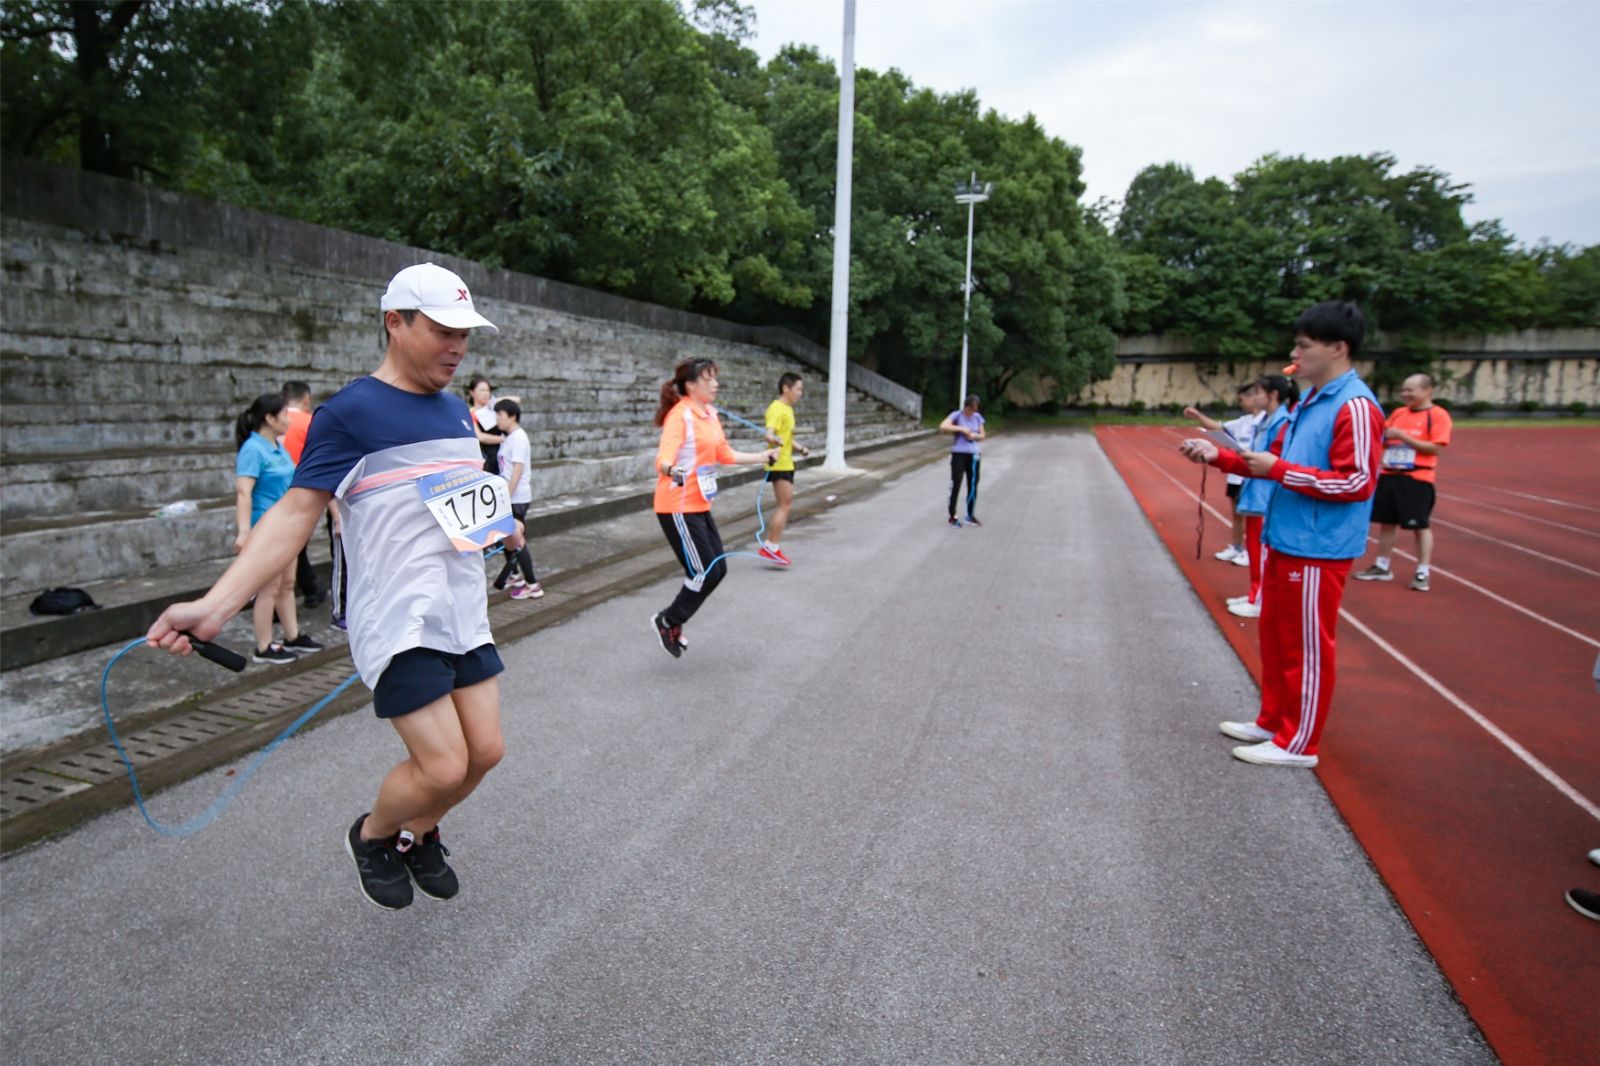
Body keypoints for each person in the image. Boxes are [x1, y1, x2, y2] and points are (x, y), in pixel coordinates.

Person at [150, 262, 518, 911]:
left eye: (464, 332)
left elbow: (461, 504)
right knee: (442, 766)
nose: (457, 346)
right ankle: (374, 835)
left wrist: (502, 527)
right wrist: (215, 606)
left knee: (484, 753)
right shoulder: (349, 413)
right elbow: (293, 514)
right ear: (394, 323)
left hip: (461, 608)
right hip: (397, 619)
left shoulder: (459, 413)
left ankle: (419, 834)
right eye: (441, 330)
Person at [1178, 300, 1384, 768]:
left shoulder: (1354, 407)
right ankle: (1274, 719)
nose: (1295, 352)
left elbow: (1357, 482)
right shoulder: (1310, 401)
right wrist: (1216, 456)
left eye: (1304, 345)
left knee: (1307, 646)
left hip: (1318, 547)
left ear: (1338, 348)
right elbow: (1265, 462)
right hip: (1285, 538)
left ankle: (1300, 742)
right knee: (1276, 637)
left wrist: (1283, 470)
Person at [648, 357, 777, 658]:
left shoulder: (709, 415)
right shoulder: (680, 416)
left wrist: (762, 456)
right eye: (709, 378)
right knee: (703, 571)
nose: (715, 384)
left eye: (715, 378)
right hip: (677, 506)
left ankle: (672, 621)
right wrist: (670, 469)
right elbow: (664, 457)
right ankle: (667, 621)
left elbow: (725, 454)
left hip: (699, 504)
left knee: (718, 569)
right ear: (691, 385)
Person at [233, 393, 324, 664]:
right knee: (269, 588)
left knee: (287, 584)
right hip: (266, 527)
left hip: (285, 526)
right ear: (269, 419)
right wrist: (244, 531)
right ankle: (263, 646)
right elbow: (243, 492)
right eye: (284, 415)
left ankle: (292, 636)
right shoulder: (253, 449)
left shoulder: (276, 447)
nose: (289, 419)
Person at [1353, 373, 1453, 592]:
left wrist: (1404, 436)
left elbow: (1435, 447)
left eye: (1411, 390)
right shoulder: (1399, 413)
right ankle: (1382, 565)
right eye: (1404, 390)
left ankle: (1422, 571)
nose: (1405, 394)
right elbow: (1383, 435)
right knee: (1387, 522)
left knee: (1420, 525)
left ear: (1428, 391)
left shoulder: (1437, 416)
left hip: (1417, 478)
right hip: (1390, 474)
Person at [1224, 374, 1299, 619]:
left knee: (1263, 550)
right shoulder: (1267, 420)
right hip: (1255, 490)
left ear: (1273, 395)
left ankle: (1261, 598)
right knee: (1255, 547)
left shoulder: (1283, 422)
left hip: (1267, 494)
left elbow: (1275, 458)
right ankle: (1255, 592)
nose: (1254, 398)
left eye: (1258, 393)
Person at [1183, 383, 1266, 566]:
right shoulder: (1243, 421)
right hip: (1236, 474)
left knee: (1255, 517)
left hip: (1255, 476)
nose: (1240, 403)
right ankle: (1237, 547)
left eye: (1243, 399)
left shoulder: (1268, 421)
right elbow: (1217, 426)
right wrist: (1198, 416)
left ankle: (1254, 553)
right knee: (1237, 514)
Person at [281, 381, 328, 609]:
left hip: (275, 490)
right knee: (296, 545)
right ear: (306, 399)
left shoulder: (272, 422)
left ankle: (309, 587)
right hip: (302, 489)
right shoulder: (310, 423)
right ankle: (309, 588)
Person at [490, 398, 543, 599]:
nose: (497, 420)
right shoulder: (510, 437)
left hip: (516, 498)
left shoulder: (519, 437)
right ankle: (516, 576)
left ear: (512, 416)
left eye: (500, 415)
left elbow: (518, 470)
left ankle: (533, 584)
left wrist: (506, 496)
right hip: (511, 496)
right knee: (507, 537)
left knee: (517, 540)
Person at [758, 372, 811, 566]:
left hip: (787, 462)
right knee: (785, 505)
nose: (800, 393)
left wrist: (800, 448)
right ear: (786, 388)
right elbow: (769, 434)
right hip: (778, 464)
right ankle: (771, 547)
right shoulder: (777, 408)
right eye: (797, 389)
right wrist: (773, 439)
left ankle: (770, 546)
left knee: (785, 504)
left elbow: (787, 436)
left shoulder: (787, 409)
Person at [940, 394, 986, 527]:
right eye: (971, 409)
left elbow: (983, 435)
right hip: (959, 453)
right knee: (956, 484)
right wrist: (961, 429)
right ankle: (952, 516)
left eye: (975, 409)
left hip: (974, 455)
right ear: (966, 406)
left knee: (972, 485)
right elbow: (943, 426)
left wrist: (975, 436)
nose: (973, 412)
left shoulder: (977, 417)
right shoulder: (957, 415)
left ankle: (970, 515)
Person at [466, 375, 506, 475]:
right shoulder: (470, 413)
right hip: (486, 460)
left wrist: (494, 401)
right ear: (472, 392)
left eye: (487, 390)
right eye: (482, 390)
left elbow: (515, 400)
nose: (485, 393)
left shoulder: (493, 410)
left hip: (501, 457)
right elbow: (480, 436)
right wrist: (503, 439)